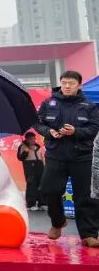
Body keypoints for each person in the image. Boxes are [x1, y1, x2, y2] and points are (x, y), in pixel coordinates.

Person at [35, 71, 99, 247]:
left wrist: (75, 131)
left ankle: (89, 234)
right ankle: (58, 222)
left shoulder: (89, 106)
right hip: (55, 155)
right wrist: (49, 132)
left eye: (71, 83)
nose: (67, 86)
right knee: (48, 190)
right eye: (64, 83)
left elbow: (94, 128)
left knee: (85, 197)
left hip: (82, 157)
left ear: (79, 85)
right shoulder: (48, 103)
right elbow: (38, 123)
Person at [16, 131, 45, 211]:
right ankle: (31, 204)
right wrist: (25, 152)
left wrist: (43, 165)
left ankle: (42, 203)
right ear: (27, 139)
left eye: (34, 139)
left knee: (41, 184)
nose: (33, 140)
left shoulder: (37, 146)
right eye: (31, 139)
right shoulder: (23, 146)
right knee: (31, 184)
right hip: (29, 166)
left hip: (39, 165)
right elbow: (20, 158)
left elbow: (41, 156)